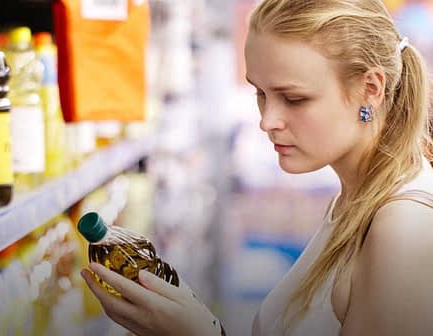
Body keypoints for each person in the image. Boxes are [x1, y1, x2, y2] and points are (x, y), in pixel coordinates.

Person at [81, 0, 433, 335]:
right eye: (260, 93)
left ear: (370, 88)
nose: (267, 121)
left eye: (293, 99)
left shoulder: (403, 229)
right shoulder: (357, 198)